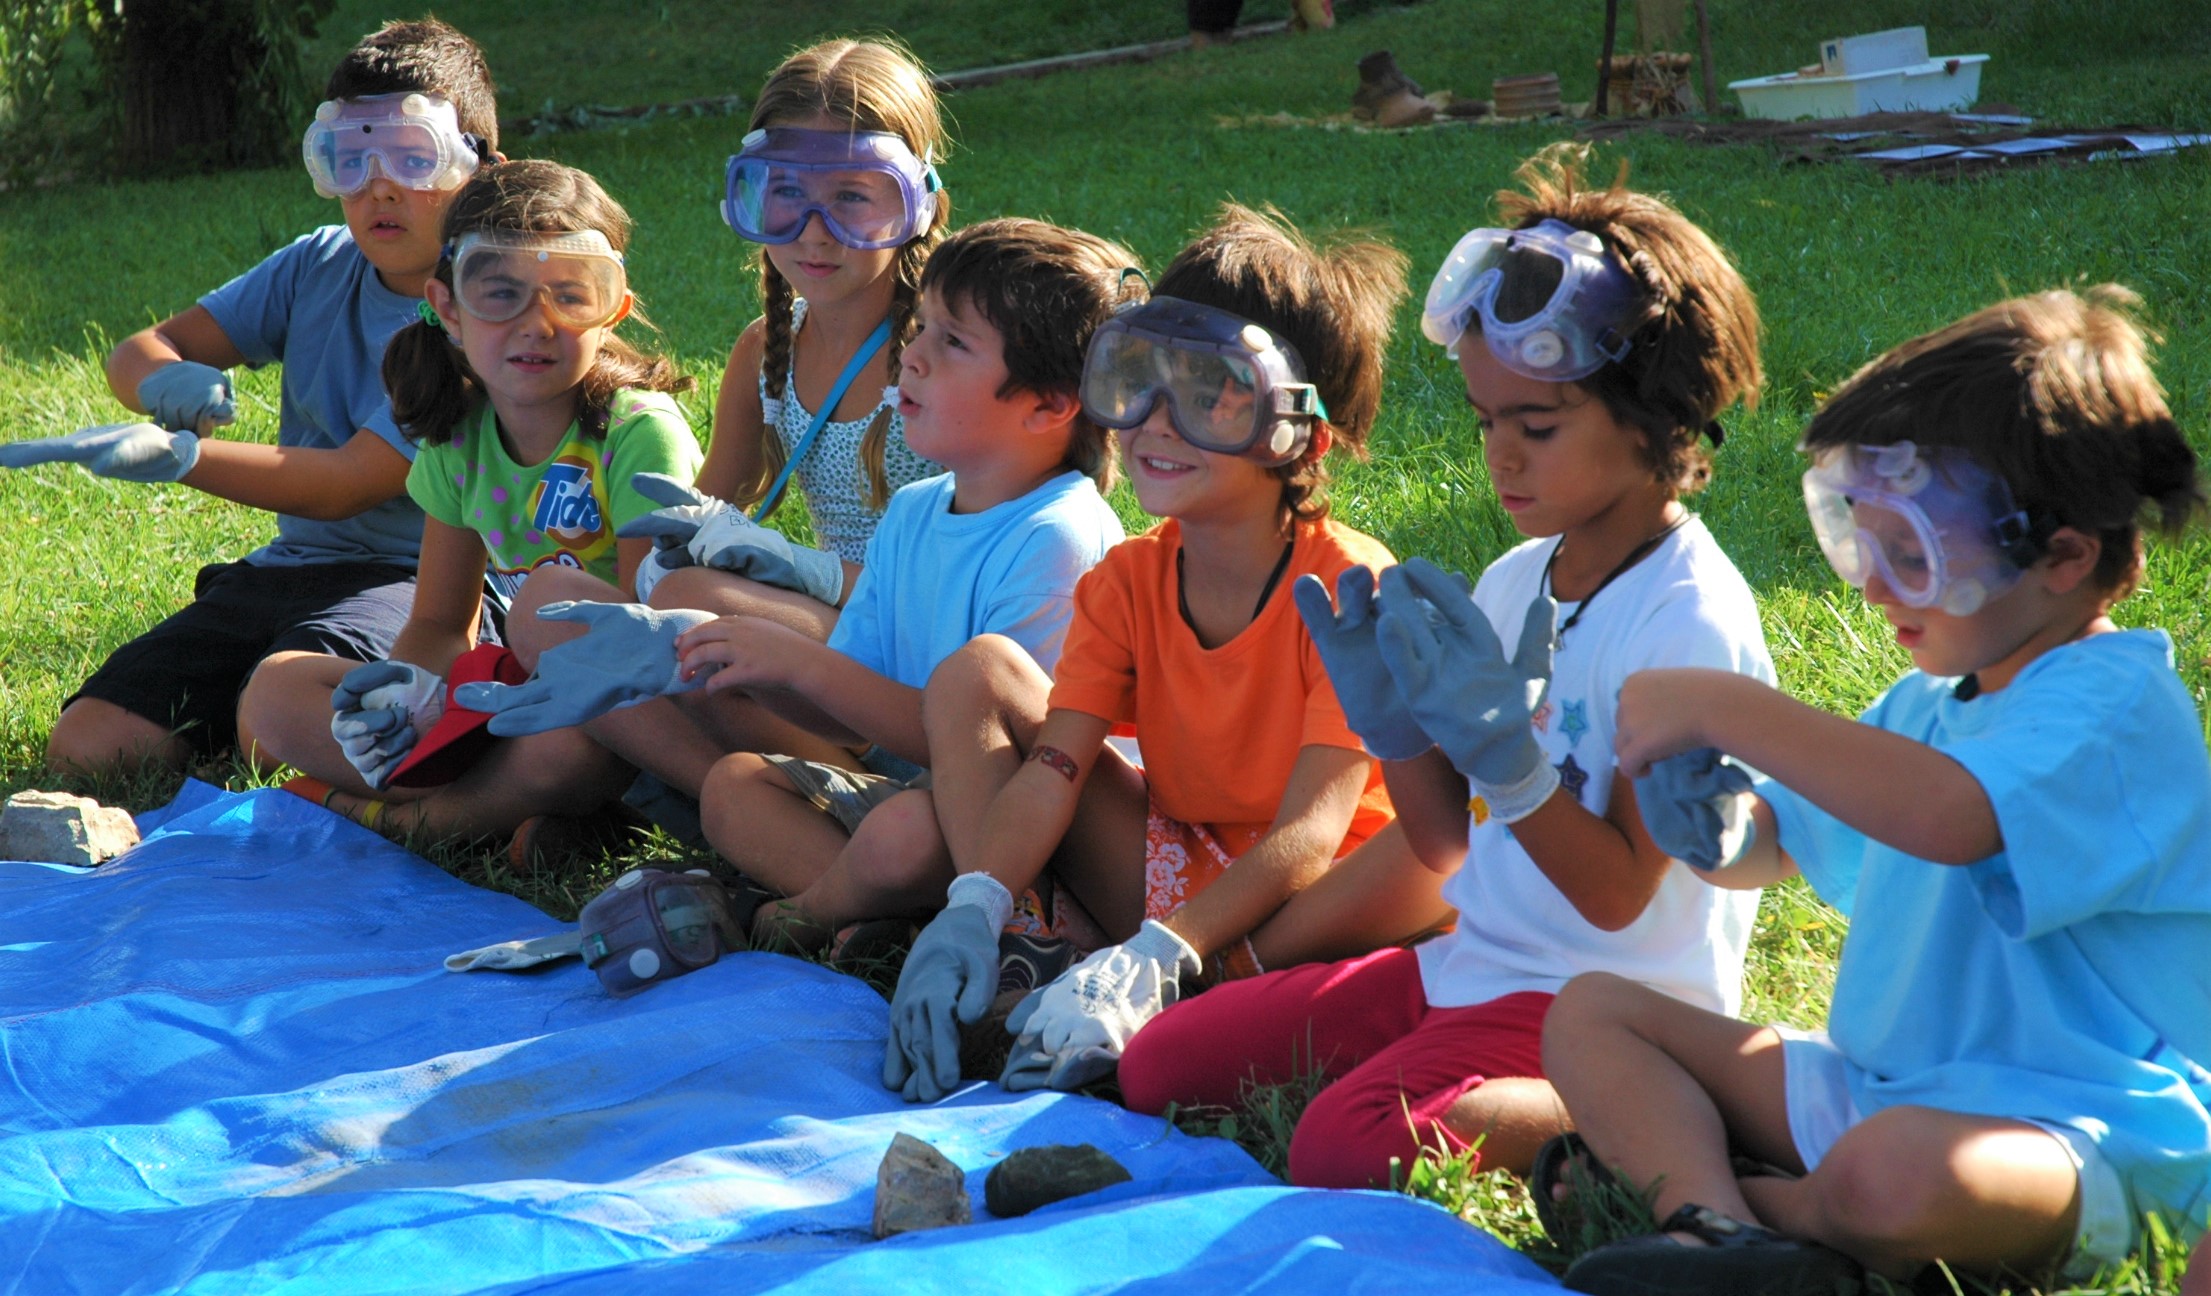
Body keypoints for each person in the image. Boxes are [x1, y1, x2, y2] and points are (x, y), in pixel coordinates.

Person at [1113, 144, 1772, 1191]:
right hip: (1467, 969)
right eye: (1486, 423)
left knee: (1344, 1140)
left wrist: (1511, 762)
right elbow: (1443, 850)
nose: (1500, 457)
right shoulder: (1520, 575)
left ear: (1662, 417)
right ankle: (1484, 1079)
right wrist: (1402, 731)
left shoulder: (1687, 619)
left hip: (1601, 1001)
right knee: (1157, 1063)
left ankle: (1651, 1100)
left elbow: (1615, 901)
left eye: (1538, 426)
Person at [1547, 285, 2211, 1294]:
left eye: (1915, 555)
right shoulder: (1928, 704)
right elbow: (1789, 847)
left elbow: (1951, 817)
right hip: (1879, 1086)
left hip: (2076, 1127)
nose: (1870, 583)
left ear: (2066, 557)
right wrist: (1722, 826)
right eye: (1861, 540)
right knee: (1594, 1013)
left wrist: (1733, 709)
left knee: (1892, 1175)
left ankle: (1757, 1205)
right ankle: (1719, 1228)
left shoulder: (2115, 712)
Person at [879, 203, 1416, 1105]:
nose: (1154, 423)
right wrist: (971, 904)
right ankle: (1028, 950)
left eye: (1210, 392)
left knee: (1432, 859)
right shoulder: (1127, 580)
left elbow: (1311, 836)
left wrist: (1164, 954)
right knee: (977, 672)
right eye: (1137, 374)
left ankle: (1187, 989)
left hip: (1313, 901)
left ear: (1301, 434)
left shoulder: (1347, 585)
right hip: (1172, 868)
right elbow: (1054, 766)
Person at [459, 218, 1135, 906]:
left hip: (998, 826)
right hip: (908, 795)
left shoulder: (1058, 536)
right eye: (923, 326)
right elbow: (852, 716)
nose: (914, 355)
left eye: (952, 342)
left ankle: (815, 913)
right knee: (735, 789)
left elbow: (1006, 759)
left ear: (1050, 405)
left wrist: (791, 660)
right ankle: (860, 906)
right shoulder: (919, 508)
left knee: (905, 832)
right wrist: (723, 660)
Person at [487, 38, 956, 848]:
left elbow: (966, 583)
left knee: (689, 604)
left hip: (925, 663)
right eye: (783, 195)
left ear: (917, 201)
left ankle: (874, 811)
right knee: (545, 610)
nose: (814, 231)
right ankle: (737, 807)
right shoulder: (761, 349)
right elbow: (689, 529)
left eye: (854, 197)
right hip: (823, 654)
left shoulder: (945, 354)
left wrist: (798, 572)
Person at [0, 19, 499, 778]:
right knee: (91, 746)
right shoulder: (316, 263)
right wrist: (163, 378)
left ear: (479, 164)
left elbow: (346, 484)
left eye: (410, 154)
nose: (378, 184)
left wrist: (181, 458)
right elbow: (139, 348)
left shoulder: (491, 307)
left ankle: (470, 772)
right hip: (288, 570)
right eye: (348, 156)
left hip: (420, 585)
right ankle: (259, 709)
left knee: (277, 723)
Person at [240, 160, 701, 839]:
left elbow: (643, 637)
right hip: (515, 693)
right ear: (448, 306)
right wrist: (407, 700)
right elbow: (436, 626)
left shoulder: (639, 431)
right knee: (276, 691)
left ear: (613, 310)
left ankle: (425, 821)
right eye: (500, 292)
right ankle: (523, 815)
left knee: (568, 741)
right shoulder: (458, 441)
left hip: (624, 712)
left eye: (570, 295)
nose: (535, 324)